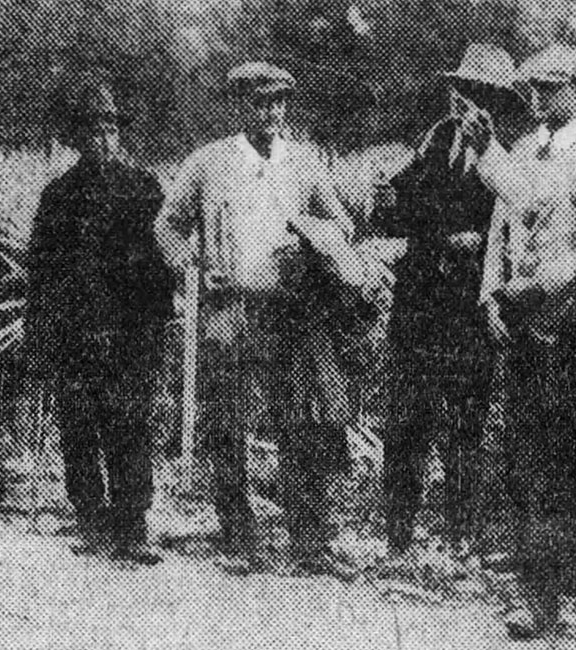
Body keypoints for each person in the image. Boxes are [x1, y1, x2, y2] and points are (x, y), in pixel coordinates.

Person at [155, 62, 390, 579]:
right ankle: (237, 536)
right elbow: (167, 226)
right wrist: (191, 266)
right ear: (241, 107)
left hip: (291, 312)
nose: (272, 113)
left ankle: (309, 541)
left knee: (300, 424)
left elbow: (342, 223)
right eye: (261, 103)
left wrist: (314, 236)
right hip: (231, 311)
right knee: (229, 424)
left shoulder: (304, 164)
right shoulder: (209, 162)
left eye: (280, 103)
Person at [464, 43, 576, 638]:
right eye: (534, 90)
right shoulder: (524, 148)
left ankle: (568, 585)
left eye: (553, 88)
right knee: (525, 454)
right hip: (522, 315)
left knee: (569, 455)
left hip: (569, 317)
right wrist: (490, 293)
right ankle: (534, 587)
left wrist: (547, 294)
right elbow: (504, 224)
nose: (541, 99)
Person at [375, 43, 522, 556]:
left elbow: (514, 219)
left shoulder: (509, 155)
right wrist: (387, 200)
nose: (466, 103)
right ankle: (398, 533)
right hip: (419, 302)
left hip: (469, 307)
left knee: (465, 422)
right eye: (462, 90)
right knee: (407, 417)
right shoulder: (435, 140)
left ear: (499, 104)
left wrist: (474, 241)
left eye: (480, 95)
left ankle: (461, 533)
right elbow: (400, 210)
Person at [25, 77, 173, 565]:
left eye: (110, 129)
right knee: (80, 429)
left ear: (120, 134)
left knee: (131, 424)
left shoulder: (144, 188)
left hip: (131, 334)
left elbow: (159, 266)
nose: (103, 140)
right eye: (92, 131)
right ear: (78, 138)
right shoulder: (58, 197)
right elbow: (43, 274)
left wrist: (156, 330)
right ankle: (90, 521)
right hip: (75, 334)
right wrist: (41, 341)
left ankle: (133, 526)